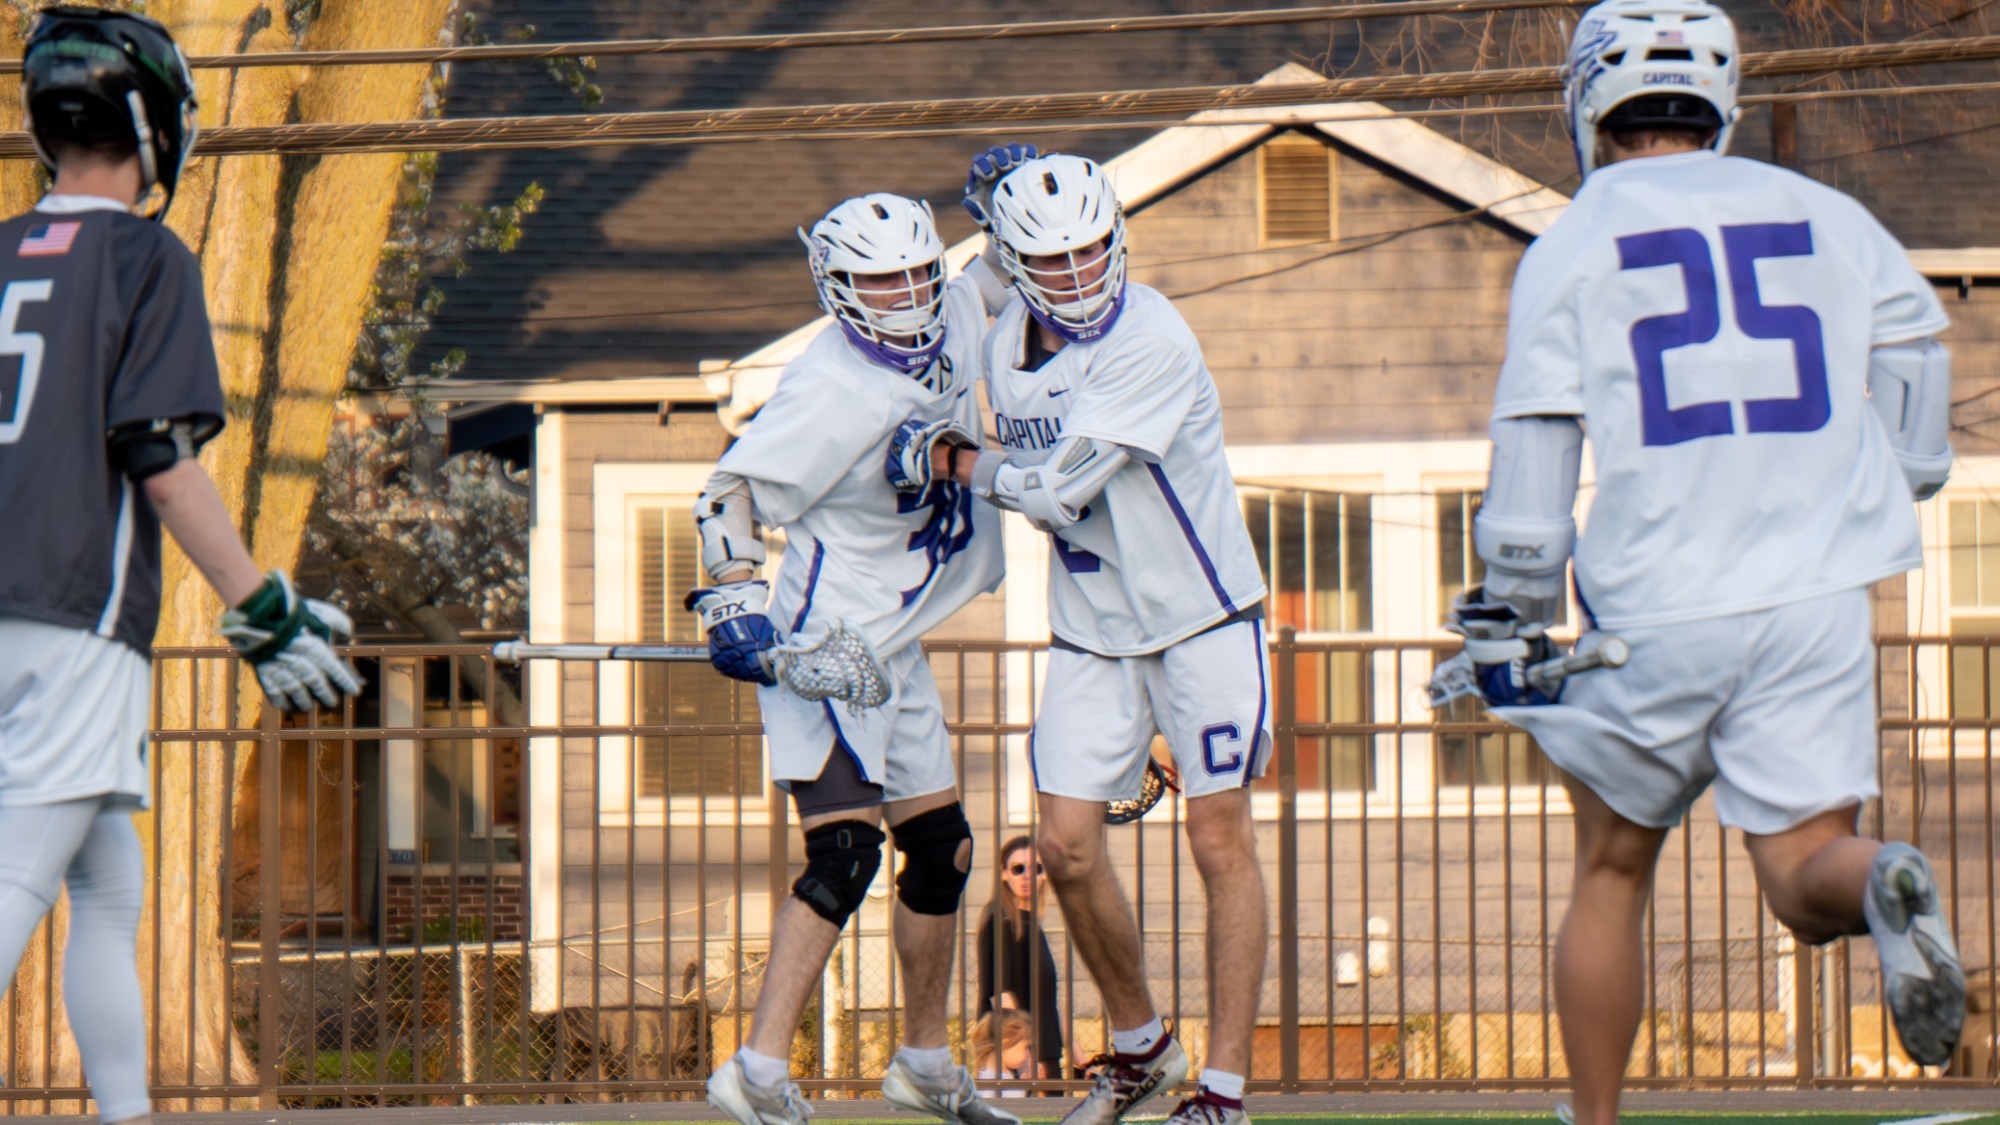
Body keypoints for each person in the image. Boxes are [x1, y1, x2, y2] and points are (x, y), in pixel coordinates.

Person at [1437, 2, 1965, 1121]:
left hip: (1661, 601)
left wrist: (1514, 611)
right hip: (1816, 598)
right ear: (1720, 98)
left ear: (1588, 100)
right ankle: (1879, 882)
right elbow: (1916, 372)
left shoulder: (1577, 239)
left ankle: (1592, 1121)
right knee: (1802, 868)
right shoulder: (1828, 215)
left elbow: (1535, 446)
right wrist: (1884, 480)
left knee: (1612, 869)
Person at [0, 9, 364, 1125]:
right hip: (75, 618)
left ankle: (127, 1116)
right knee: (16, 887)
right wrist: (264, 606)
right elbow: (157, 458)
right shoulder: (147, 256)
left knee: (109, 886)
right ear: (158, 125)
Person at [919, 150, 1271, 1125]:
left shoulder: (1150, 334)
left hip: (1200, 620)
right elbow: (961, 298)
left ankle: (1223, 1094)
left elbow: (1053, 487)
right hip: (1090, 632)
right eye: (1051, 259)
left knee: (1215, 833)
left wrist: (949, 457)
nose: (1078, 276)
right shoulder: (999, 331)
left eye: (1091, 250)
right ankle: (1140, 1048)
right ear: (1014, 263)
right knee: (1065, 850)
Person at [693, 181, 1027, 1125]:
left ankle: (923, 1060)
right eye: (883, 283)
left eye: (920, 271)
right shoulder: (831, 382)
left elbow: (1008, 273)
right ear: (839, 290)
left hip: (898, 637)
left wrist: (1008, 201)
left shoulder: (957, 310)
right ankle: (754, 1072)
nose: (910, 295)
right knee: (844, 853)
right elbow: (728, 495)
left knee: (944, 850)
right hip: (828, 639)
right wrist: (732, 601)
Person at [976, 835, 1064, 1081]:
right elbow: (999, 993)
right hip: (1019, 1057)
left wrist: (1082, 1058)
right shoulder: (999, 917)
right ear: (1004, 873)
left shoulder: (1030, 923)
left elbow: (1048, 1003)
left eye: (1035, 869)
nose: (1027, 876)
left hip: (1043, 1050)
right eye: (1018, 869)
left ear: (1044, 874)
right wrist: (1026, 1058)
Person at [971, 1009, 1036, 1096]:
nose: (1028, 1053)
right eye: (1026, 1047)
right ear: (1005, 1044)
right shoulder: (997, 1085)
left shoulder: (987, 1078)